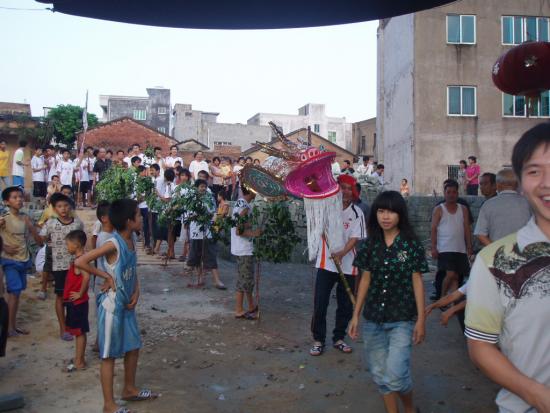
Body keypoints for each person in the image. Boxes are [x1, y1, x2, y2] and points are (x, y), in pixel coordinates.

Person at [465, 123, 550, 413]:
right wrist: (538, 396)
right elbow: (480, 346)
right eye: (534, 171)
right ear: (521, 184)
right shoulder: (493, 262)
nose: (546, 182)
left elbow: (479, 233)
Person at [75, 199, 158, 413]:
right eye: (138, 215)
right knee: (109, 355)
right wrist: (106, 276)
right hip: (111, 307)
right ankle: (109, 405)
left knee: (133, 347)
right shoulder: (113, 243)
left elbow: (131, 269)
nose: (141, 218)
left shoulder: (131, 240)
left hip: (126, 306)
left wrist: (136, 290)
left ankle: (129, 389)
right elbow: (81, 261)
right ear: (129, 221)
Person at [349, 190, 427, 413]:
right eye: (381, 211)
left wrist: (421, 320)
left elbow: (417, 281)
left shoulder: (411, 245)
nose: (385, 216)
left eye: (391, 212)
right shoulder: (369, 245)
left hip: (402, 318)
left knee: (396, 375)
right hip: (373, 319)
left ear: (400, 214)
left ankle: (409, 408)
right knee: (380, 375)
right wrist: (355, 315)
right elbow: (365, 279)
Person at [310, 174, 366, 357]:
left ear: (354, 192)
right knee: (320, 302)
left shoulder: (357, 213)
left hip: (348, 265)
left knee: (345, 305)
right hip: (326, 263)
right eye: (342, 187)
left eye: (349, 188)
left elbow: (355, 238)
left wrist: (342, 253)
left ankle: (339, 338)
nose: (346, 191)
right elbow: (318, 226)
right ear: (336, 189)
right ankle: (318, 339)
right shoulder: (327, 208)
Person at [38, 193, 84, 341]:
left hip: (76, 266)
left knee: (73, 297)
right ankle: (63, 329)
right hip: (58, 267)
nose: (63, 209)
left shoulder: (77, 223)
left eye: (65, 205)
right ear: (54, 208)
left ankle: (71, 326)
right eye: (59, 206)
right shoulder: (50, 223)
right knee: (60, 297)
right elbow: (41, 239)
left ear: (70, 207)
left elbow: (83, 242)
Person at [0, 186, 41, 336]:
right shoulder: (4, 219)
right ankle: (9, 328)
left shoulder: (25, 217)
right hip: (9, 260)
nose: (19, 200)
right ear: (7, 202)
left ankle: (12, 325)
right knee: (14, 293)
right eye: (15, 197)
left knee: (16, 294)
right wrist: (4, 246)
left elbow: (37, 238)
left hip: (23, 260)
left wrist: (32, 228)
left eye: (20, 197)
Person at [431, 180, 472, 297]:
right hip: (444, 248)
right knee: (450, 274)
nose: (451, 195)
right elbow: (433, 229)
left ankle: (453, 302)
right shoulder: (439, 209)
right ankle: (442, 296)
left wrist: (469, 246)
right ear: (444, 193)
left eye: (454, 192)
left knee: (456, 277)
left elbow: (467, 228)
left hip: (460, 248)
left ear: (457, 194)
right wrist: (433, 247)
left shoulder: (463, 209)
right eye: (448, 192)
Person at [474, 168, 532, 247]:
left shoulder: (488, 205)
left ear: (497, 184)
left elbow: (480, 234)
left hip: (497, 251)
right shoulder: (529, 204)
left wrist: (496, 249)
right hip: (523, 250)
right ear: (517, 185)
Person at [186, 179, 225, 289]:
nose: (203, 188)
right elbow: (189, 214)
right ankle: (200, 278)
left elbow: (213, 212)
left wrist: (213, 222)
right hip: (196, 231)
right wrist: (197, 216)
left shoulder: (210, 198)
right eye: (201, 186)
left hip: (207, 231)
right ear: (196, 188)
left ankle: (217, 280)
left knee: (210, 255)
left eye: (205, 186)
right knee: (196, 256)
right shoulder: (192, 199)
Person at [63, 230, 90, 372]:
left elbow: (86, 277)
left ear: (76, 245)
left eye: (68, 244)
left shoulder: (80, 261)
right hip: (76, 302)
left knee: (79, 332)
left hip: (78, 303)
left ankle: (79, 361)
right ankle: (80, 359)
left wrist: (80, 293)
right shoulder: (80, 259)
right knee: (79, 331)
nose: (67, 247)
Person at [232, 185, 261, 318]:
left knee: (246, 278)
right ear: (251, 190)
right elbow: (239, 230)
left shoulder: (241, 203)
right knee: (244, 280)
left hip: (242, 248)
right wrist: (255, 233)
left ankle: (251, 306)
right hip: (244, 249)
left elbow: (240, 224)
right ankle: (239, 309)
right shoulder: (244, 206)